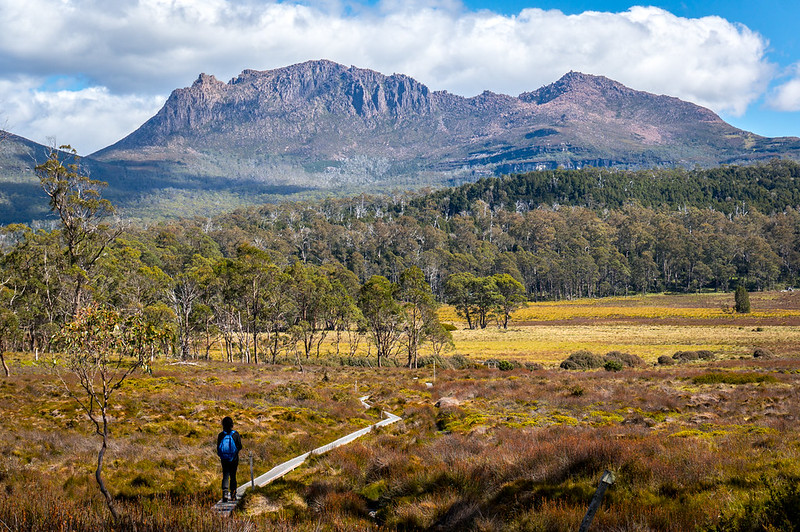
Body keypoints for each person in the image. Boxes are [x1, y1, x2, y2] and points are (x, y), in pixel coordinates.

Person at [216, 416, 243, 502]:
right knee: (233, 476)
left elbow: (218, 448)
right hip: (234, 459)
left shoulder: (221, 435)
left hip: (224, 459)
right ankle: (233, 494)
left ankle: (225, 494)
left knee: (225, 476)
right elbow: (240, 446)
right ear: (232, 424)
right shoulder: (235, 434)